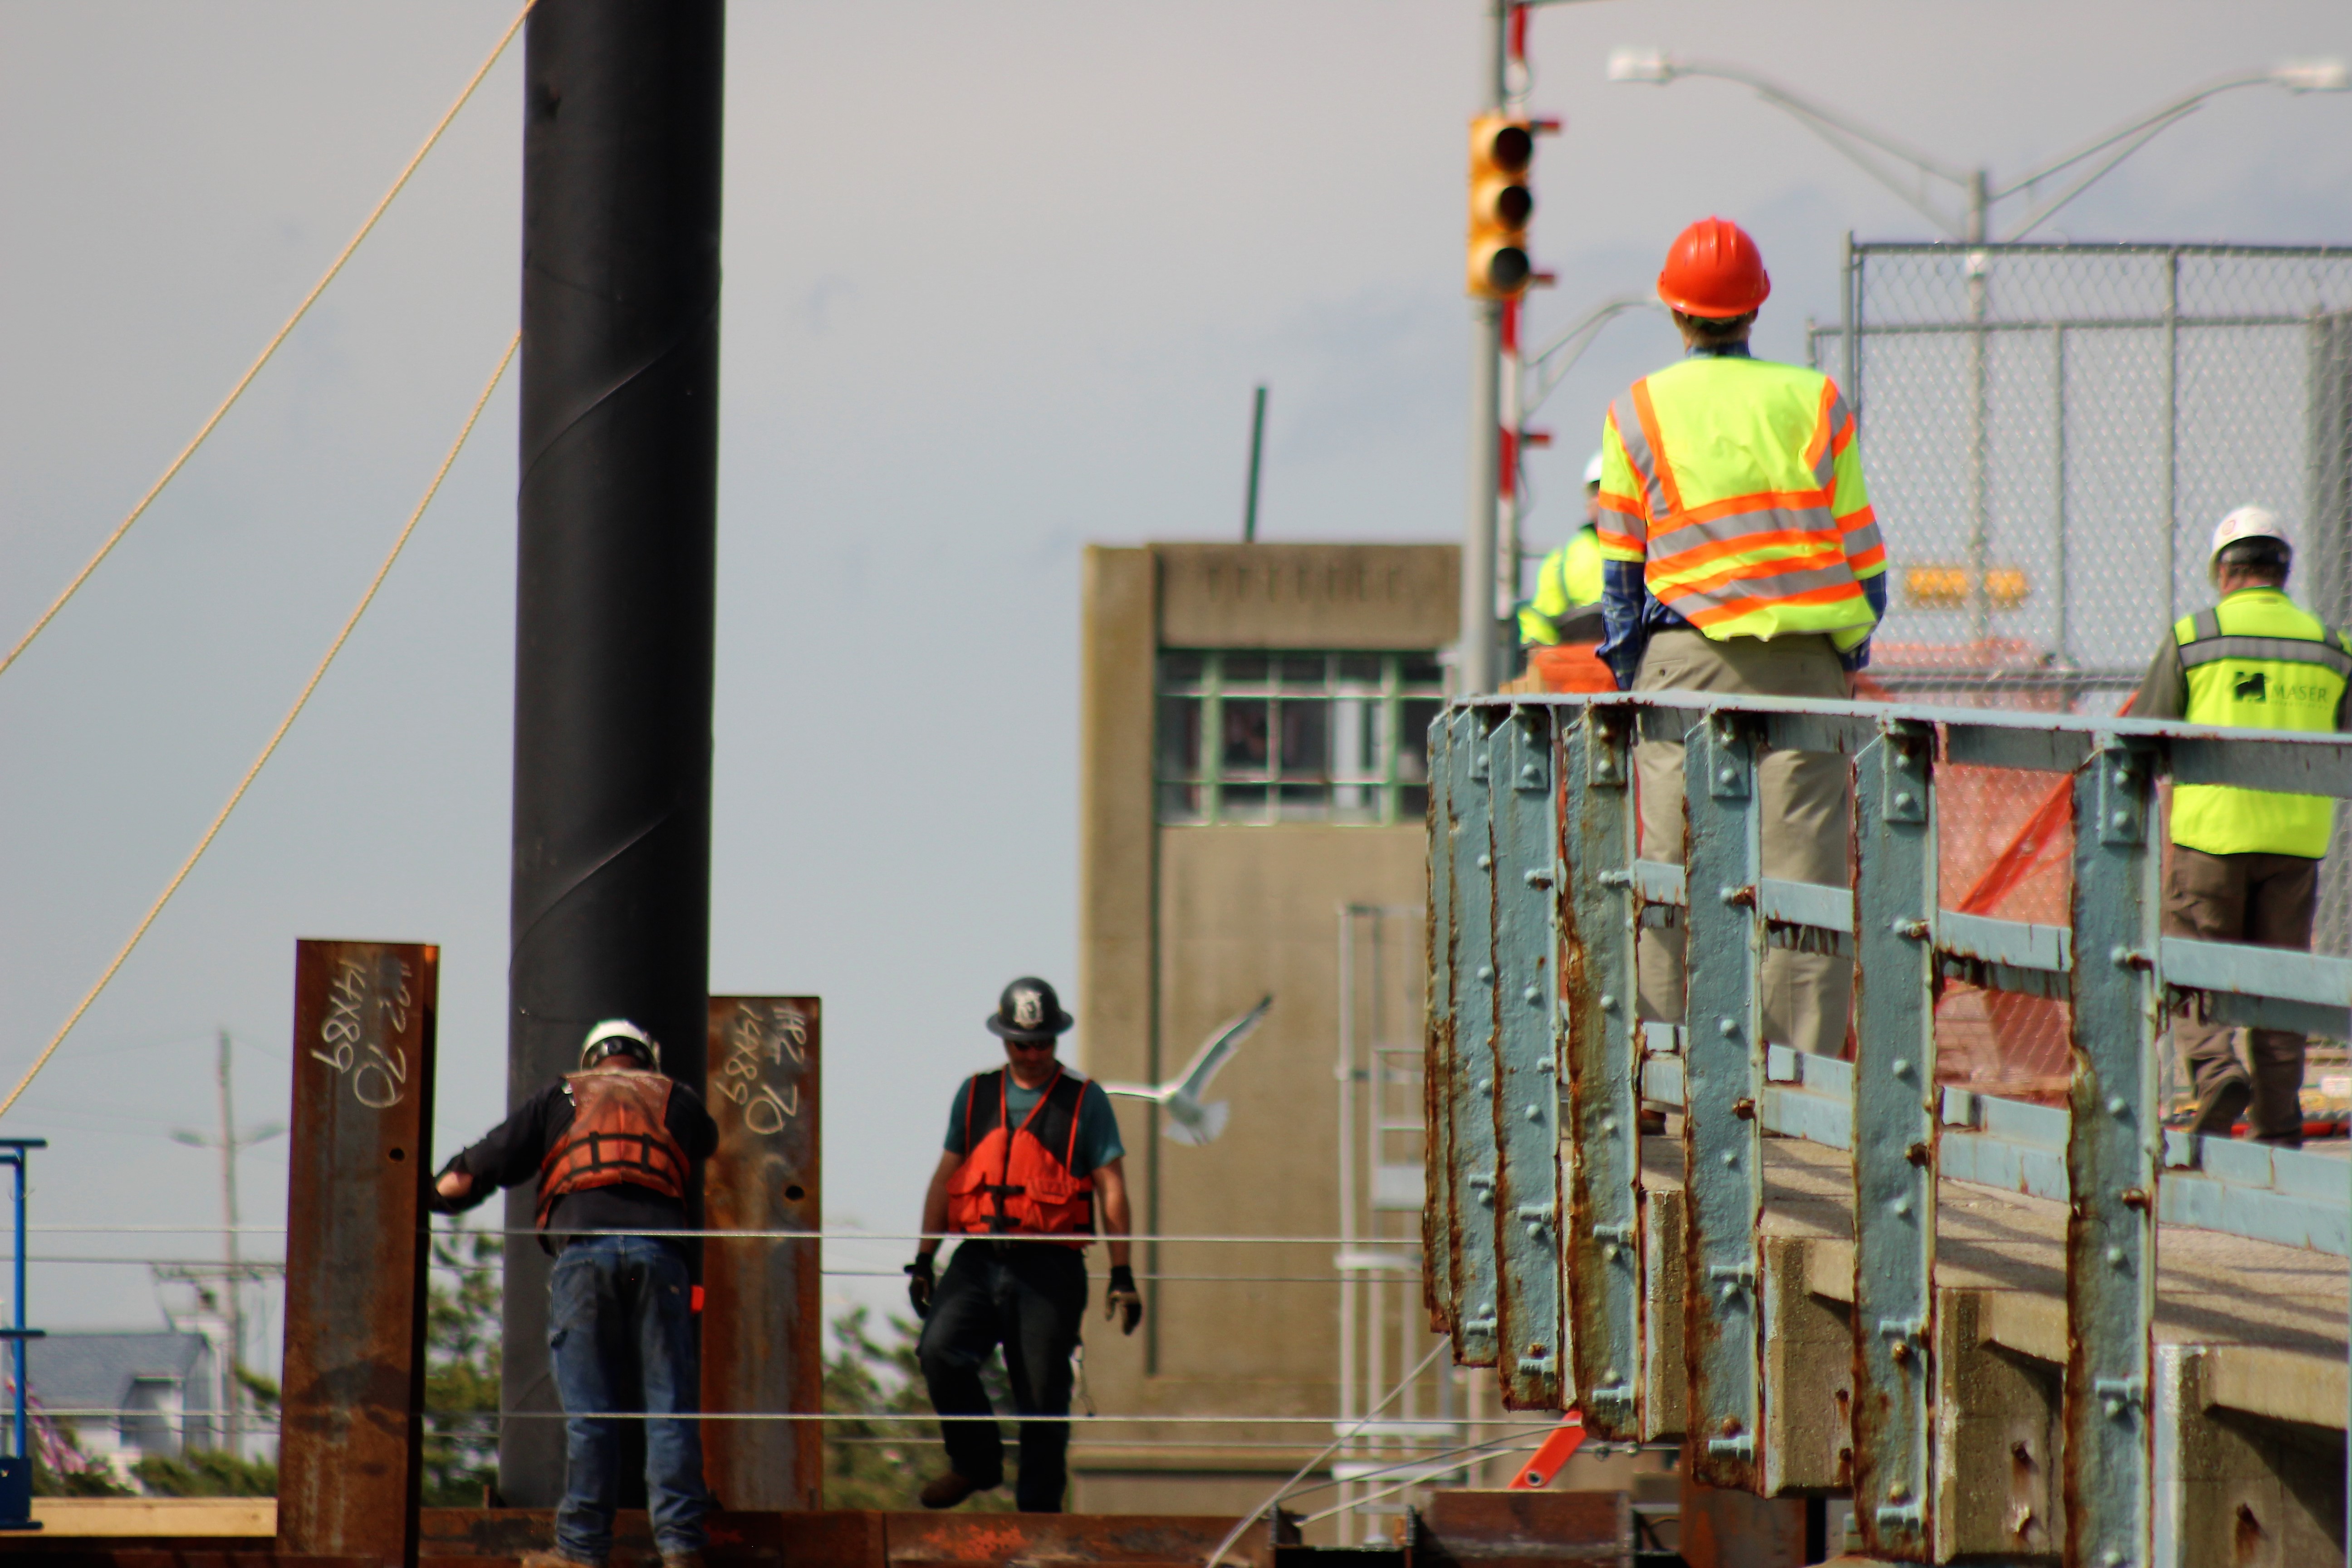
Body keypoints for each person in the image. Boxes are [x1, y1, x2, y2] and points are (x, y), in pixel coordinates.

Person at [1594, 217, 1887, 1058]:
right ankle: (1795, 1080)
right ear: (1755, 306)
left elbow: (1620, 574)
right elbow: (1863, 561)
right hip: (1801, 665)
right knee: (1802, 877)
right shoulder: (1815, 400)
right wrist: (1840, 654)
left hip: (1679, 665)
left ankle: (1663, 1066)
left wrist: (1633, 677)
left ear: (1671, 308)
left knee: (1669, 869)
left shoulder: (1635, 410)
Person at [431, 1020, 719, 1568]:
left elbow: (472, 1174)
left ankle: (583, 1551)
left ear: (592, 1061)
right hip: (662, 1260)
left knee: (592, 1415)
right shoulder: (675, 1098)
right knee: (669, 1409)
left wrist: (427, 1195)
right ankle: (682, 1546)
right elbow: (707, 1140)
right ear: (647, 1062)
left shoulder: (560, 1096)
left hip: (584, 1259)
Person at [2132, 506, 2352, 1145]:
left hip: (2211, 839)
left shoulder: (2196, 637)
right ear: (2283, 572)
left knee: (2192, 964)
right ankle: (2280, 1129)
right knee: (2282, 987)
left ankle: (2216, 1072)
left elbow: (2144, 732)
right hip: (2295, 843)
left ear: (2223, 572)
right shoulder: (2331, 648)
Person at [904, 977, 1141, 1513]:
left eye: (1042, 1043)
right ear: (1004, 1041)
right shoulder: (975, 1094)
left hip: (1050, 1264)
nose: (1032, 1054)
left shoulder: (1085, 1100)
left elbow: (1112, 1187)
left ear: (1055, 1040)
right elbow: (946, 1178)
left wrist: (1122, 1274)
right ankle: (975, 1463)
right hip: (979, 1257)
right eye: (1021, 1044)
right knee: (939, 1350)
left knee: (1041, 1397)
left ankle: (1038, 1517)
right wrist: (924, 1259)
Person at [1518, 451, 1608, 648]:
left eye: (1611, 488)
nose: (1603, 497)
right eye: (1596, 490)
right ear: (1587, 501)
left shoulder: (1656, 552)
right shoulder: (1561, 561)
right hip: (1580, 674)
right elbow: (1540, 625)